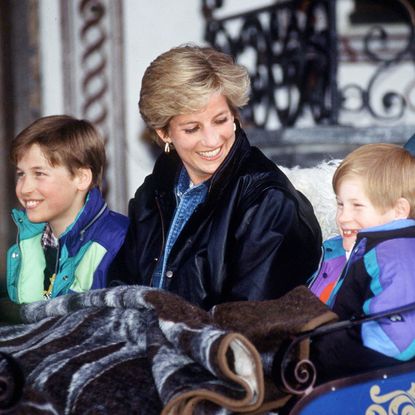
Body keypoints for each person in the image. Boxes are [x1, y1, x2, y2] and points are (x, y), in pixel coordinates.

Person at [108, 44, 322, 310]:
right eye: (192, 128)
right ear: (164, 134)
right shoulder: (156, 189)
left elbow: (246, 325)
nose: (212, 140)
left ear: (234, 116)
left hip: (216, 348)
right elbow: (119, 287)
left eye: (220, 120)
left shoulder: (270, 203)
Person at [309, 143, 415, 381]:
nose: (343, 217)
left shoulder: (395, 252)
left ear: (399, 210)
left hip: (371, 378)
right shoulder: (356, 249)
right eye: (340, 204)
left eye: (357, 206)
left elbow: (398, 339)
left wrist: (321, 351)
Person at [5, 115, 129, 305]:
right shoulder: (30, 240)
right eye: (21, 174)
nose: (24, 188)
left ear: (81, 178)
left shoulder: (118, 240)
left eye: (39, 174)